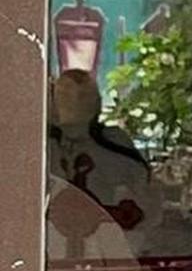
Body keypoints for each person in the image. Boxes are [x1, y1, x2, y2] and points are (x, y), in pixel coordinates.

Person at [47, 69, 161, 248]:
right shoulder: (38, 148)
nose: (74, 100)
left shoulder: (114, 143)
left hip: (105, 248)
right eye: (65, 94)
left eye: (83, 95)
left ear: (96, 102)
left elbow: (145, 202)